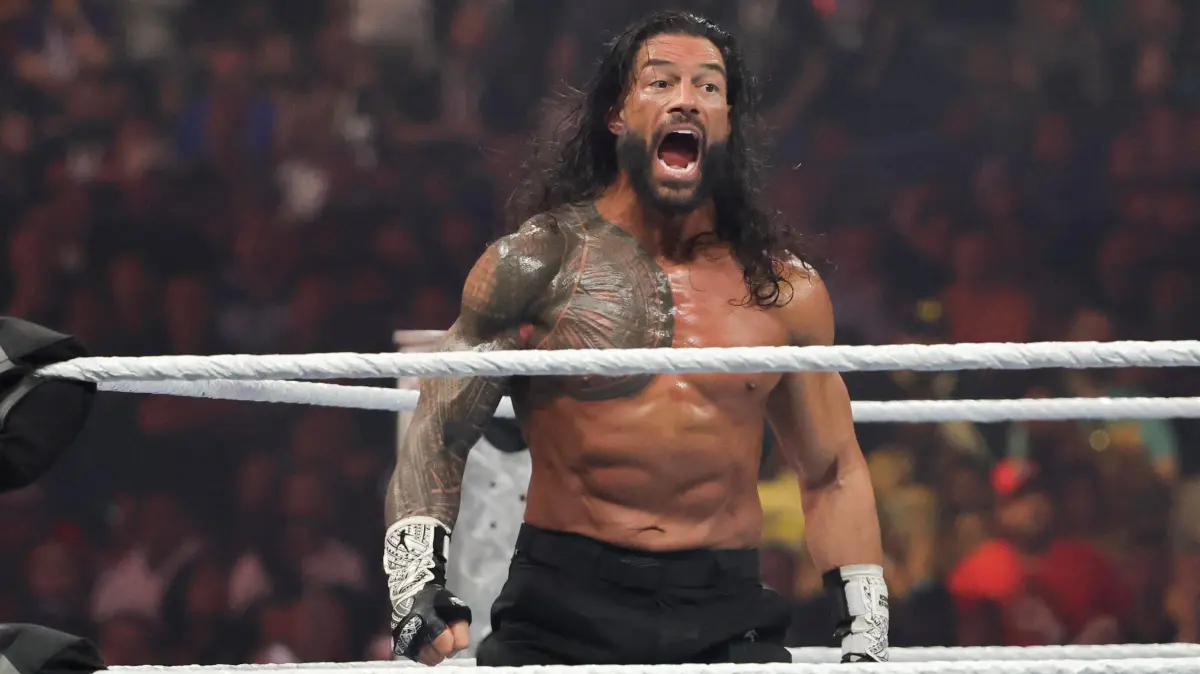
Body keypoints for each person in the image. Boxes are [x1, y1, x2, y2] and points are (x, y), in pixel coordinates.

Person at [383, 11, 887, 667]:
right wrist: (415, 583)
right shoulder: (537, 267)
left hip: (723, 604)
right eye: (662, 81)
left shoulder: (783, 291)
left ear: (729, 123)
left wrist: (865, 632)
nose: (687, 97)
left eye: (709, 87)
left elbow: (831, 469)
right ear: (617, 114)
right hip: (562, 604)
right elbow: (440, 429)